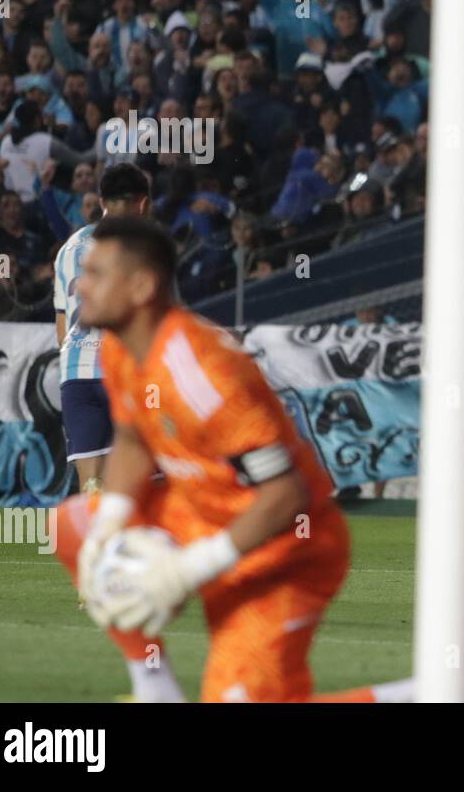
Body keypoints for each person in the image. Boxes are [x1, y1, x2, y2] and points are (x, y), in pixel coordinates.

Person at [52, 217, 412, 702]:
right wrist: (112, 521)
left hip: (285, 550)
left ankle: (427, 695)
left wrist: (185, 571)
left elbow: (285, 494)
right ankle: (154, 692)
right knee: (78, 523)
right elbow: (135, 438)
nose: (80, 284)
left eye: (96, 273)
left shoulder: (202, 372)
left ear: (141, 286)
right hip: (202, 515)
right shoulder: (120, 347)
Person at [55, 163, 151, 498]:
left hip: (76, 372)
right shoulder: (141, 247)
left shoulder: (68, 248)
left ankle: (94, 547)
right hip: (122, 370)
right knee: (142, 475)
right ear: (143, 202)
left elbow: (62, 324)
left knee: (92, 481)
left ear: (101, 199)